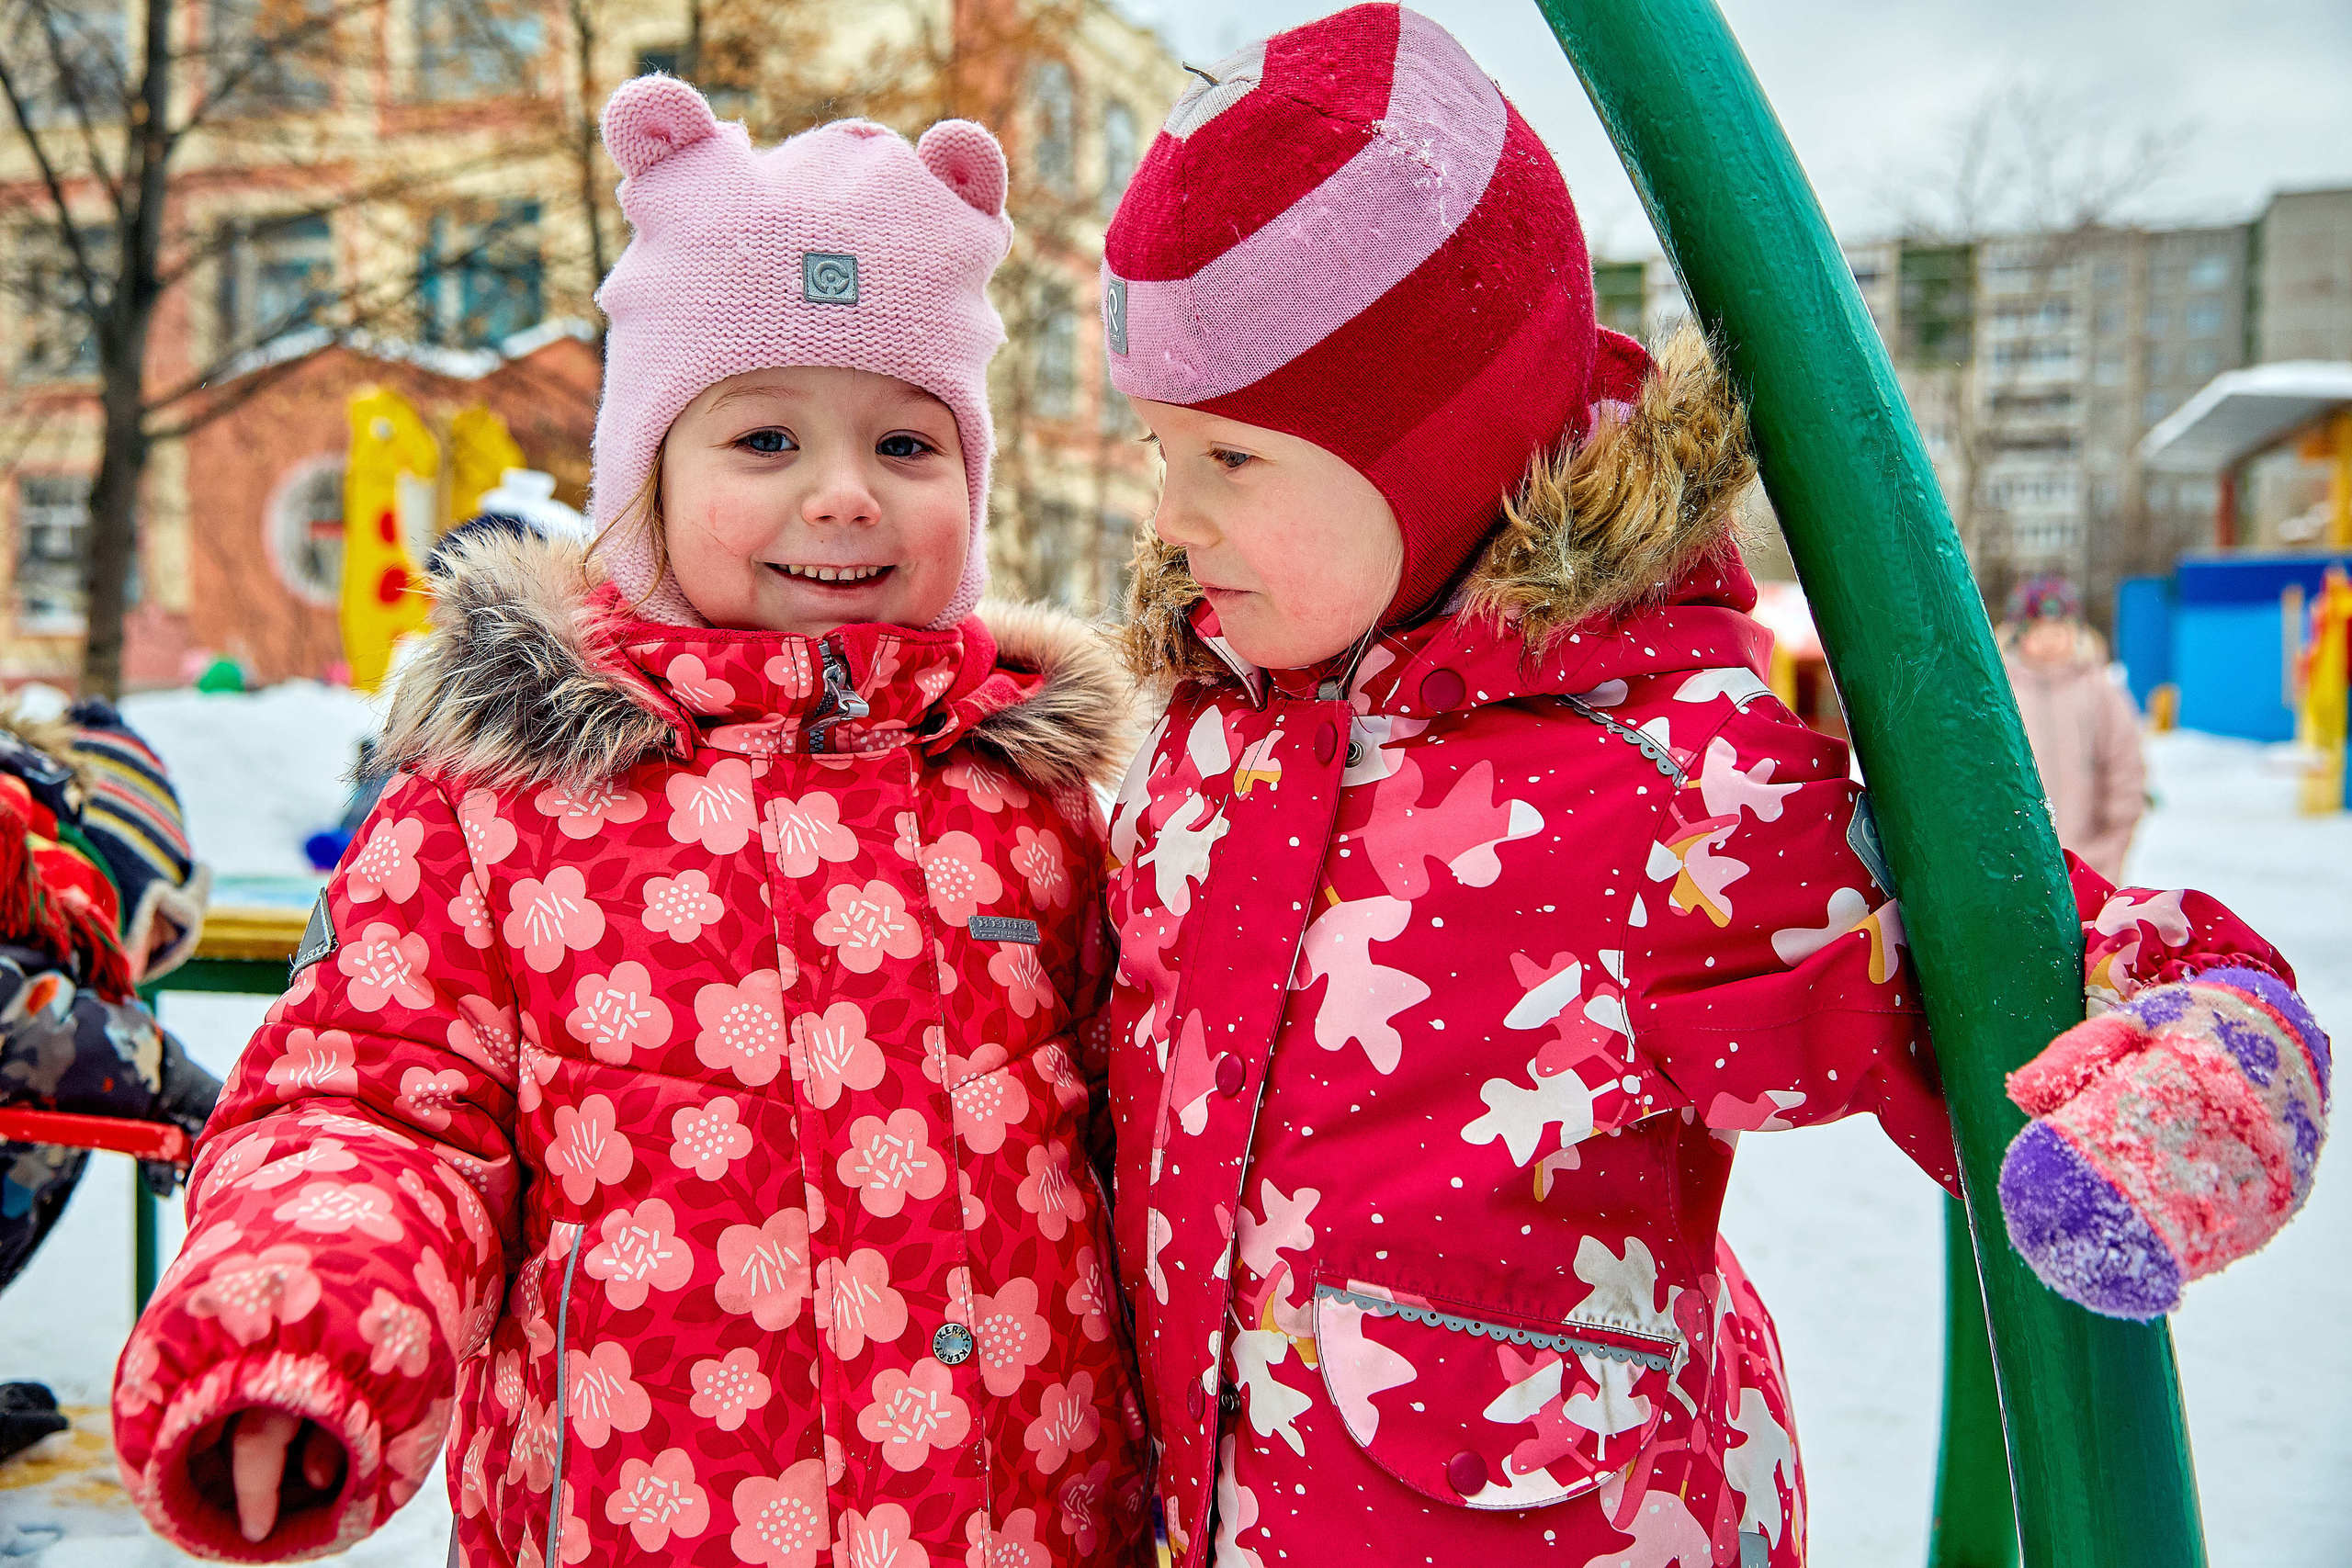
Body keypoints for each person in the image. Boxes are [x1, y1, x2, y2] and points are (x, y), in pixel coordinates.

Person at [1089, 9, 2331, 1565]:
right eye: (1159, 452)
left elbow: (2031, 948)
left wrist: (2189, 1087)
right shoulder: (1211, 742)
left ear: (1434, 447)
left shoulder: (1650, 790)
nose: (1174, 516)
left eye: (1231, 459)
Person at [112, 77, 1148, 1565]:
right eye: (767, 441)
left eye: (908, 447)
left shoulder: (1034, 810)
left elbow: (1169, 1130)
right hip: (636, 1519)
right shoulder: (510, 801)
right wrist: (302, 1328)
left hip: (1011, 1524)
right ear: (647, 481)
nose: (846, 495)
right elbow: (372, 1103)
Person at [0, 701, 218, 1461]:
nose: (145, 966)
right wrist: (169, 1078)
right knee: (74, 1077)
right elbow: (25, 1019)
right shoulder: (22, 863)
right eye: (159, 929)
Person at [2000, 575, 2147, 882]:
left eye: (2059, 630)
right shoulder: (2002, 692)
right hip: (2018, 862)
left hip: (2090, 861)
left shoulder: (2099, 691)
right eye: (2038, 631)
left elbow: (2124, 766)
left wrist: (2113, 841)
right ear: (2018, 636)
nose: (2050, 640)